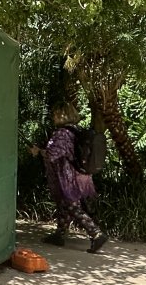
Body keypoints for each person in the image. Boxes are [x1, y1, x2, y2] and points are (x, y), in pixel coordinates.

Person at [30, 104, 107, 254]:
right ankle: (59, 235)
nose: (53, 117)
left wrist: (38, 151)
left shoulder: (62, 133)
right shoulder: (76, 130)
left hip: (67, 177)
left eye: (56, 114)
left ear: (63, 115)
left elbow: (52, 154)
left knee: (72, 206)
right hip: (80, 175)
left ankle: (96, 234)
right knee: (64, 204)